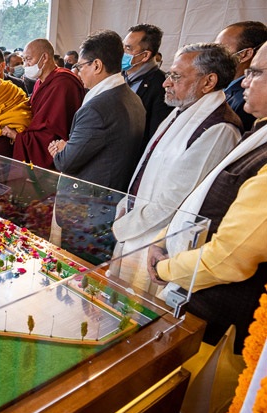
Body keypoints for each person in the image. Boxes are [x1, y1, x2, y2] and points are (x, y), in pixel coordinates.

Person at [147, 44, 267, 354]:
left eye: (255, 72)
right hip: (183, 276)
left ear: (207, 81)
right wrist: (163, 239)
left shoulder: (222, 126)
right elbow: (200, 198)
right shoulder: (259, 131)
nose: (243, 81)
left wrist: (165, 267)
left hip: (218, 313)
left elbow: (231, 257)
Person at [113, 43, 243, 292]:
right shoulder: (183, 111)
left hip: (156, 243)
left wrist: (125, 225)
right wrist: (125, 208)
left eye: (176, 76)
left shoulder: (219, 128)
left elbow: (176, 198)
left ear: (208, 82)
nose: (166, 82)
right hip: (135, 225)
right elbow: (149, 165)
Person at [49, 30, 146, 191]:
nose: (78, 72)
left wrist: (62, 150)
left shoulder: (96, 109)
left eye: (80, 66)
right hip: (114, 192)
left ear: (97, 65)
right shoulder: (132, 97)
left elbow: (66, 162)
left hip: (90, 201)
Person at [11, 39, 85, 169]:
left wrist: (18, 137)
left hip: (54, 152)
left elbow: (54, 131)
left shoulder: (63, 83)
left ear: (44, 57)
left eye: (29, 59)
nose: (26, 65)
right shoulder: (40, 82)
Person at [123, 24, 174, 147]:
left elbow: (154, 136)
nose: (121, 52)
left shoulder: (162, 85)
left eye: (128, 48)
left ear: (145, 55)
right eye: (122, 46)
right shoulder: (119, 75)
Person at [215, 21, 267, 132]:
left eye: (221, 50)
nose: (214, 56)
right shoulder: (223, 87)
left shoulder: (249, 100)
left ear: (245, 54)